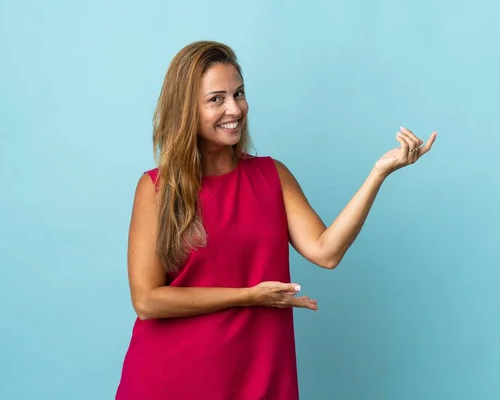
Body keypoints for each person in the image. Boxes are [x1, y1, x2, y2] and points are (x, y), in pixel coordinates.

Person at [115, 40, 437, 400]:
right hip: (172, 378)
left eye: (239, 93)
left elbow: (326, 252)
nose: (235, 108)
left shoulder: (272, 176)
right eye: (216, 99)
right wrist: (249, 296)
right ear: (186, 109)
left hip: (259, 374)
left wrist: (379, 173)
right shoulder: (157, 188)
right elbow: (146, 301)